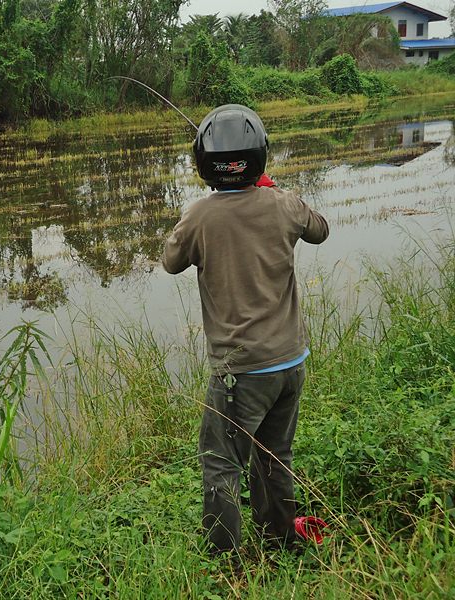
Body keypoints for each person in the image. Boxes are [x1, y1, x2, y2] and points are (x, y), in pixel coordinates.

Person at [161, 104, 329, 554]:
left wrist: (188, 219)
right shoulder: (285, 204)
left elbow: (169, 261)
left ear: (204, 162)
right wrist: (271, 191)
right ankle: (280, 540)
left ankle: (223, 561)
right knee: (275, 456)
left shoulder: (199, 217)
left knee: (220, 462)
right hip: (290, 363)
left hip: (242, 371)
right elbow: (320, 231)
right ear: (260, 156)